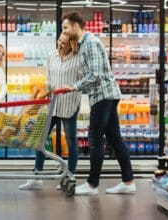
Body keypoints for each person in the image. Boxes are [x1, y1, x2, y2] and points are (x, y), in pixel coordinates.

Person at [61, 11, 136, 195]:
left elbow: (95, 75)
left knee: (95, 139)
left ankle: (92, 185)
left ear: (76, 26)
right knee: (114, 139)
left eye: (65, 27)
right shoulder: (82, 45)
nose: (64, 31)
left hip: (103, 95)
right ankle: (128, 181)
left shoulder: (90, 43)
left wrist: (74, 87)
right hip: (104, 95)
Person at [19, 33, 81, 190]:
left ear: (72, 45)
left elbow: (82, 81)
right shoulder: (51, 56)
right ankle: (37, 176)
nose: (60, 44)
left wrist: (72, 88)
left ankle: (70, 176)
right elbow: (48, 80)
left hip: (69, 103)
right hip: (51, 104)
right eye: (59, 41)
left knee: (71, 141)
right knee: (41, 139)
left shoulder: (77, 58)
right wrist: (40, 97)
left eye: (64, 43)